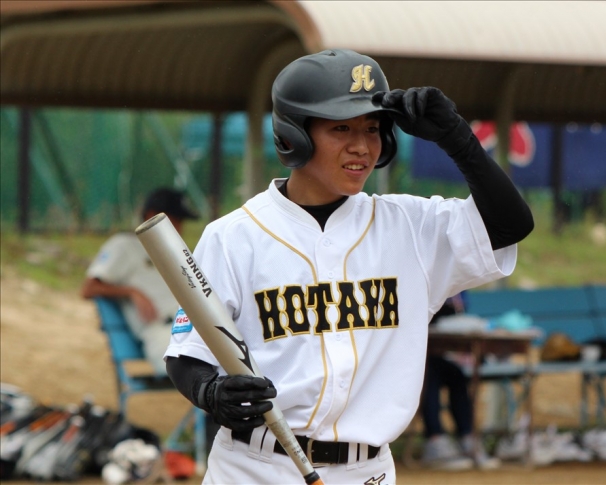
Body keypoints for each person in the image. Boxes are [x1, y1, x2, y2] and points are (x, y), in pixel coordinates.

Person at [164, 48, 533, 484]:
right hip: (255, 469)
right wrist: (211, 392)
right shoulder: (234, 236)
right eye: (341, 128)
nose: (361, 146)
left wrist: (457, 137)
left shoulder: (409, 226)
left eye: (372, 129)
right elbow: (187, 355)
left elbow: (510, 225)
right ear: (295, 135)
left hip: (367, 471)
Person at [81, 187, 199, 376]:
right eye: (175, 220)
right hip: (163, 333)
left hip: (194, 328)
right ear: (152, 216)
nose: (180, 228)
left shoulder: (176, 252)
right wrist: (132, 292)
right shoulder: (124, 245)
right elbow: (89, 288)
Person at [420, 293, 501, 471]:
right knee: (428, 375)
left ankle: (467, 437)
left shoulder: (459, 292)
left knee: (456, 375)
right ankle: (434, 440)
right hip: (413, 357)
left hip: (436, 350)